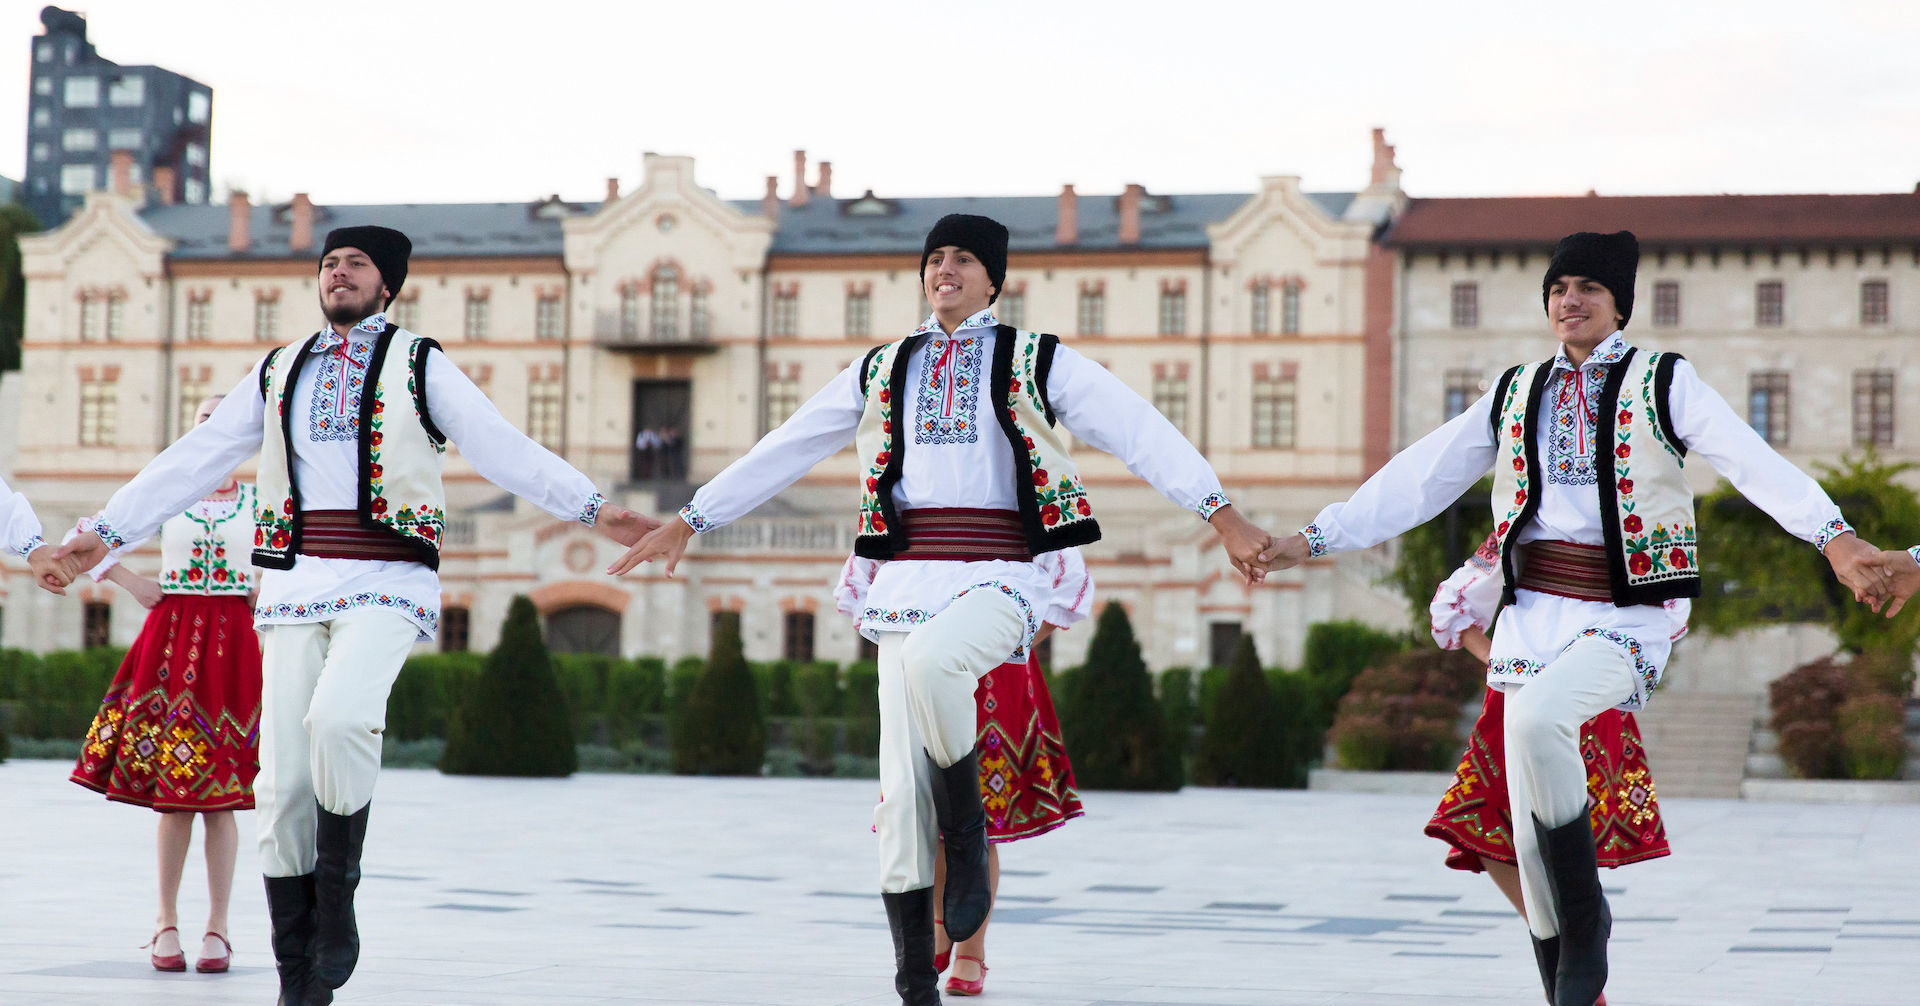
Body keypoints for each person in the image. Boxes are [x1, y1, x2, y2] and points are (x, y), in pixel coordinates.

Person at [608, 213, 1273, 1005]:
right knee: (897, 797)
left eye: (963, 259)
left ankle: (967, 823)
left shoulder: (1036, 358)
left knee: (933, 664)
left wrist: (1221, 514)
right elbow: (788, 444)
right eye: (934, 258)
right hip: (906, 580)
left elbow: (1140, 430)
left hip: (1005, 573)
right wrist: (691, 520)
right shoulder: (883, 367)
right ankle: (911, 981)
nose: (945, 269)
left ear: (994, 278)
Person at [1259, 231, 1886, 1006]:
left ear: (1619, 301)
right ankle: (1571, 993)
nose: (1570, 299)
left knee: (1534, 727)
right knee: (1524, 841)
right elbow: (1418, 479)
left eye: (1588, 286)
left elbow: (1748, 458)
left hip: (1628, 611)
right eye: (1559, 287)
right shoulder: (1516, 388)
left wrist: (1835, 537)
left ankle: (1588, 928)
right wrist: (1312, 539)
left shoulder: (1664, 380)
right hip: (1532, 617)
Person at [52, 225, 654, 1006]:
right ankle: (300, 978)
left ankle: (338, 907)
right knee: (280, 790)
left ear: (388, 284)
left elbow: (500, 445)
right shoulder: (277, 370)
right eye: (329, 263)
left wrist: (594, 509)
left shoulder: (419, 363)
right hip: (296, 585)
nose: (338, 273)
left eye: (355, 264)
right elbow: (191, 461)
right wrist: (99, 532)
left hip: (388, 575)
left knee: (339, 721)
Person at [1425, 532, 1677, 1006]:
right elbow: (1453, 605)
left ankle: (1574, 967)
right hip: (1515, 693)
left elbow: (1666, 611)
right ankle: (1569, 959)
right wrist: (1497, 660)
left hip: (1586, 695)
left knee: (1553, 835)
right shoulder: (1524, 516)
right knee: (1489, 831)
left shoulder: (1635, 519)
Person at [834, 545, 1092, 996]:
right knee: (925, 809)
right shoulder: (903, 499)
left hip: (996, 672)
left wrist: (1010, 639)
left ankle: (971, 949)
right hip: (918, 671)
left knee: (979, 817)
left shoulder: (1025, 498)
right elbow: (860, 585)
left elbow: (1067, 587)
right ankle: (937, 932)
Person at [69, 395, 261, 974]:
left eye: (222, 422)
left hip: (232, 642)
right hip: (173, 637)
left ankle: (218, 928)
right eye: (204, 420)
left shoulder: (261, 497)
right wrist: (132, 581)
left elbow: (297, 555)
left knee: (221, 797)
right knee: (175, 795)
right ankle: (165, 920)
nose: (212, 430)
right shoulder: (164, 490)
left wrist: (265, 589)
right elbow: (91, 535)